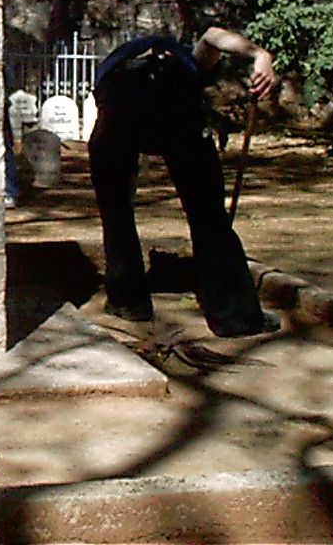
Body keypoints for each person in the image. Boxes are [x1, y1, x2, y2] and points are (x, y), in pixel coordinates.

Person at [88, 26, 277, 338]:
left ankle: (128, 300)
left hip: (118, 98)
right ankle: (235, 316)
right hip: (173, 99)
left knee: (116, 207)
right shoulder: (188, 59)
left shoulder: (117, 59)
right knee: (207, 215)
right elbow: (215, 34)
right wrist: (260, 55)